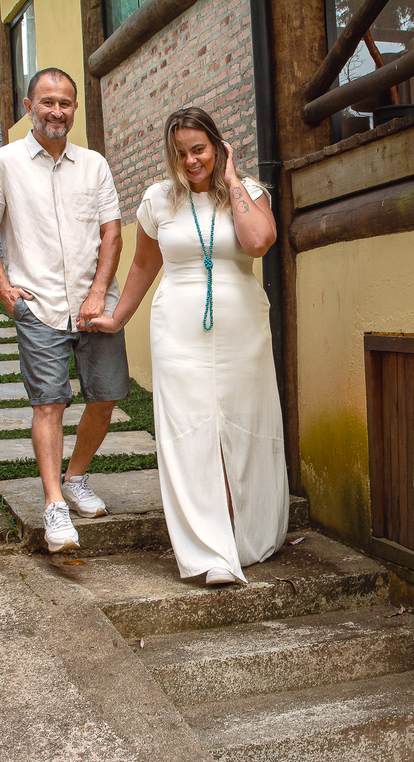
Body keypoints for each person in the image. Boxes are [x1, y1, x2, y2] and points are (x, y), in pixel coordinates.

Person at [89, 107, 288, 585]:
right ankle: (209, 551)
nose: (190, 161)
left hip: (242, 330)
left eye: (198, 150)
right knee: (189, 431)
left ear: (218, 146)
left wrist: (233, 177)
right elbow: (142, 267)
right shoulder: (158, 200)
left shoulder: (249, 193)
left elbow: (260, 241)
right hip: (177, 330)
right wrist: (117, 318)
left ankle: (248, 536)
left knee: (245, 423)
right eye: (180, 154)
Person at [0, 67, 128, 553]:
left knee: (105, 395)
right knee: (49, 402)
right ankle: (55, 503)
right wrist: (4, 289)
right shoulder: (3, 163)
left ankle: (76, 477)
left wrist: (100, 290)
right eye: (47, 102)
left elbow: (112, 231)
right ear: (28, 106)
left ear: (74, 108)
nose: (56, 111)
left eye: (65, 103)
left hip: (93, 302)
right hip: (37, 303)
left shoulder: (94, 165)